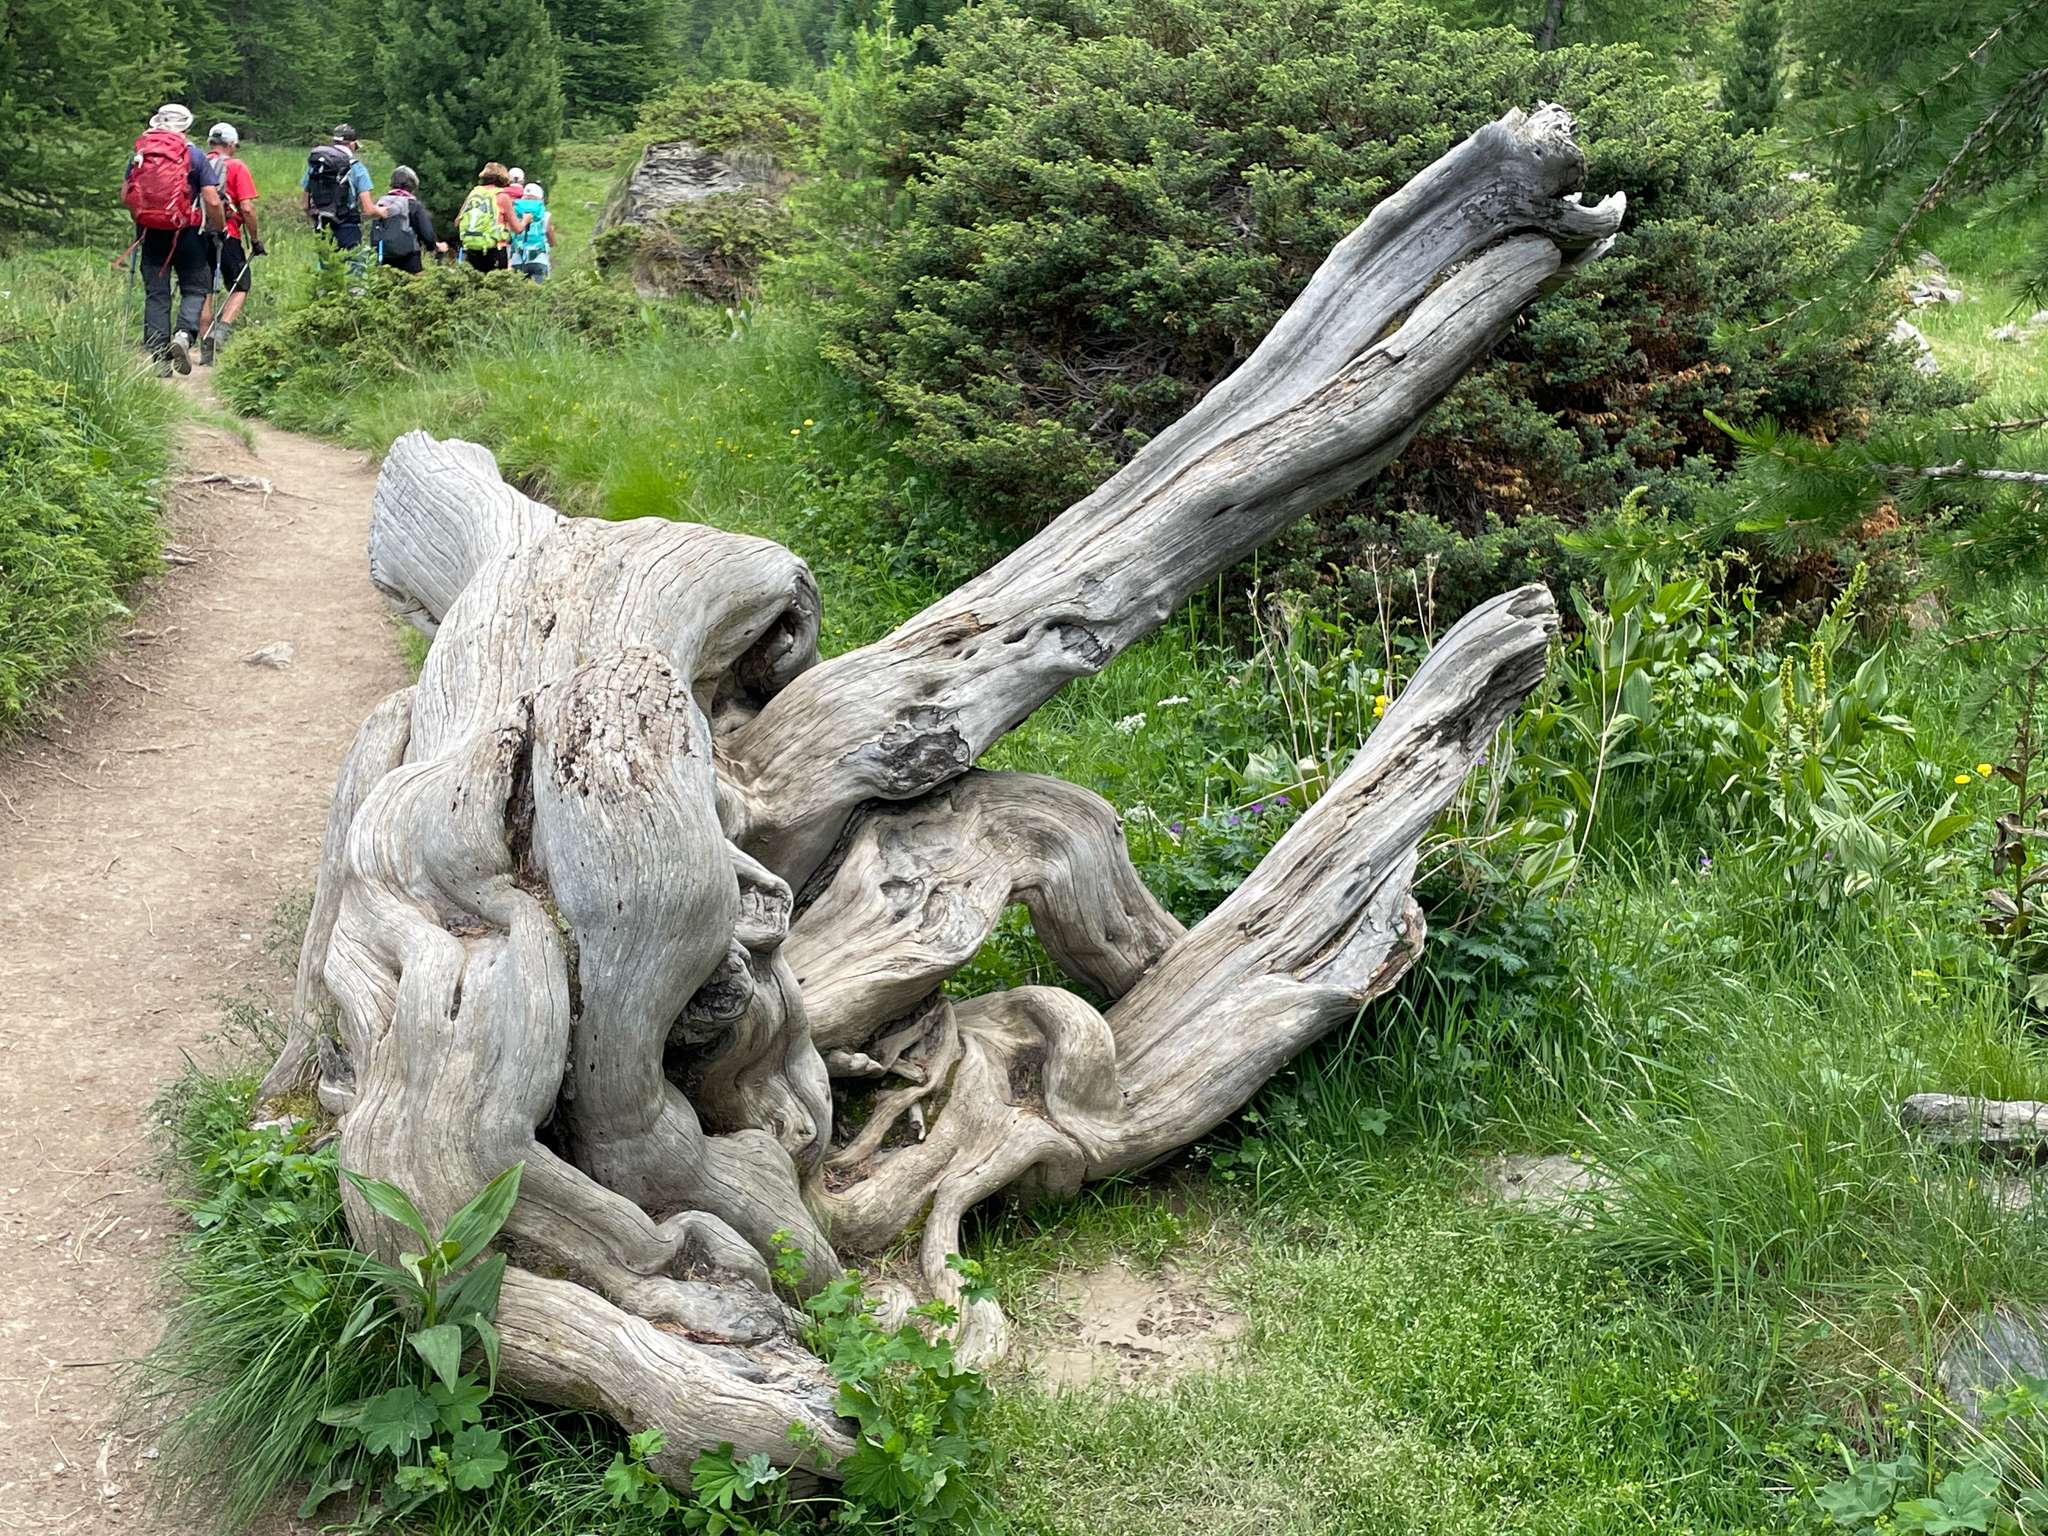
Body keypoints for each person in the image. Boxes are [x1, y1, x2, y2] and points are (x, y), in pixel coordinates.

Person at [122, 104, 225, 375]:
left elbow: (125, 196)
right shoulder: (195, 155)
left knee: (157, 294)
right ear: (186, 126)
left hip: (151, 233)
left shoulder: (141, 153)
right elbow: (212, 200)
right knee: (195, 287)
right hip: (188, 233)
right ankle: (183, 335)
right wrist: (218, 226)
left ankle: (160, 360)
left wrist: (143, 220)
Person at [197, 122, 262, 365]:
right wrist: (255, 239)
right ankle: (221, 331)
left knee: (204, 289)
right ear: (232, 145)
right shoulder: (236, 166)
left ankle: (205, 348)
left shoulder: (198, 163)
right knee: (241, 285)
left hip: (197, 233)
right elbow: (247, 208)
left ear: (211, 143)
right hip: (228, 234)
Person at [301, 124, 377, 253]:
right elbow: (368, 209)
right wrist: (383, 212)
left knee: (327, 264)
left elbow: (305, 205)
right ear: (352, 144)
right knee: (353, 264)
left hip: (322, 225)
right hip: (348, 227)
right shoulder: (357, 167)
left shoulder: (318, 165)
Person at [371, 165, 446, 274]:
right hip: (409, 258)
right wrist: (434, 246)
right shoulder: (413, 204)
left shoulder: (381, 203)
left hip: (383, 256)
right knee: (416, 282)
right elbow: (427, 234)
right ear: (412, 185)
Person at [457, 163, 515, 273]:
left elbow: (457, 221)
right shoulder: (502, 196)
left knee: (474, 281)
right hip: (495, 249)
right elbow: (517, 228)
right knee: (495, 282)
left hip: (472, 249)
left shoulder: (474, 193)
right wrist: (526, 219)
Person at [508, 181, 554, 282]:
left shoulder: (514, 214)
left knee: (516, 290)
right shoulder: (546, 215)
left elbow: (509, 236)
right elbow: (551, 241)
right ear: (541, 200)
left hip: (517, 259)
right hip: (539, 259)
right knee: (539, 290)